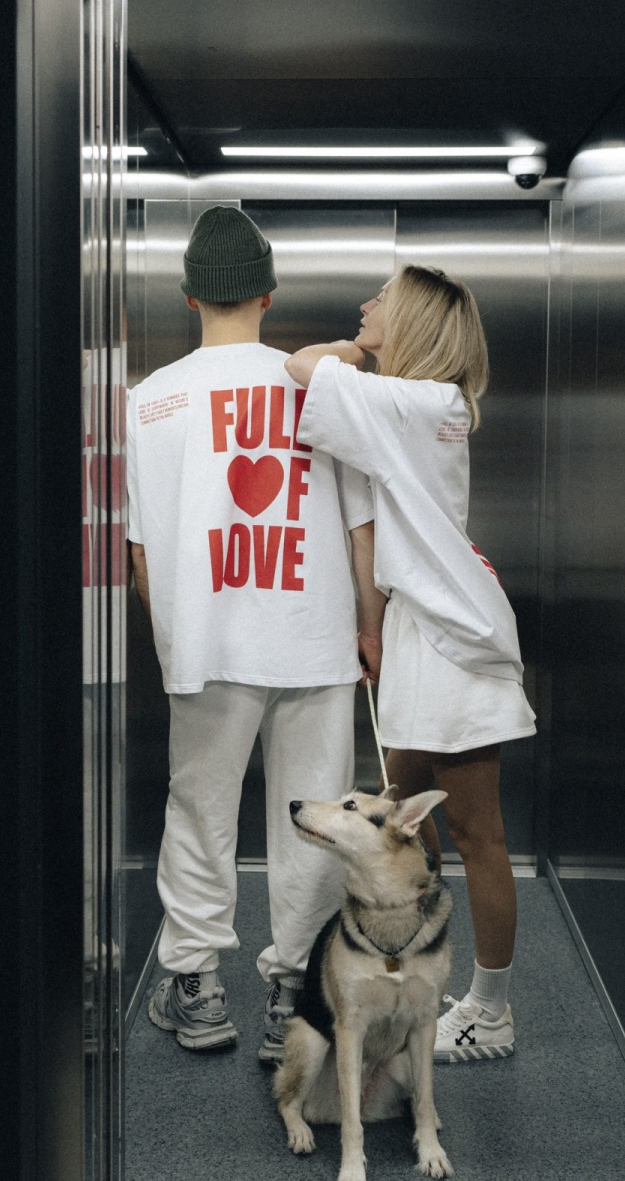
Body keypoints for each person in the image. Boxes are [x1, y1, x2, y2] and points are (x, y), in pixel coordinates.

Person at [126, 206, 378, 1061]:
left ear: (190, 296)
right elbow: (359, 527)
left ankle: (197, 989)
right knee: (317, 817)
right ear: (269, 295)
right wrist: (370, 629)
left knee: (199, 811)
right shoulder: (318, 384)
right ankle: (293, 998)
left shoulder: (149, 401)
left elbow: (141, 552)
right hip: (315, 635)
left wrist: (172, 642)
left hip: (206, 645)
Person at [284, 264, 536, 1062]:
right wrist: (375, 628)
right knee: (401, 814)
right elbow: (371, 526)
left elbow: (300, 365)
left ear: (417, 322)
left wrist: (350, 351)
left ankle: (489, 1012)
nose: (365, 306)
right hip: (426, 632)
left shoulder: (417, 403)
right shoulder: (418, 406)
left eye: (382, 300)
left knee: (475, 830)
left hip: (453, 641)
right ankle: (415, 981)